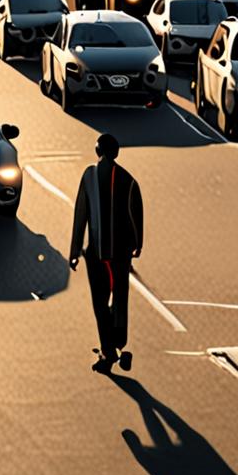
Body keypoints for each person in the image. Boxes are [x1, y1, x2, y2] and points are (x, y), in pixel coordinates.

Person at [69, 133, 144, 375]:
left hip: (96, 253)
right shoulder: (128, 180)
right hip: (121, 253)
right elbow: (135, 214)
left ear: (97, 150)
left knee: (100, 303)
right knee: (119, 298)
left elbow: (81, 214)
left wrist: (74, 250)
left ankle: (108, 349)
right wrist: (137, 244)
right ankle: (118, 342)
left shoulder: (88, 176)